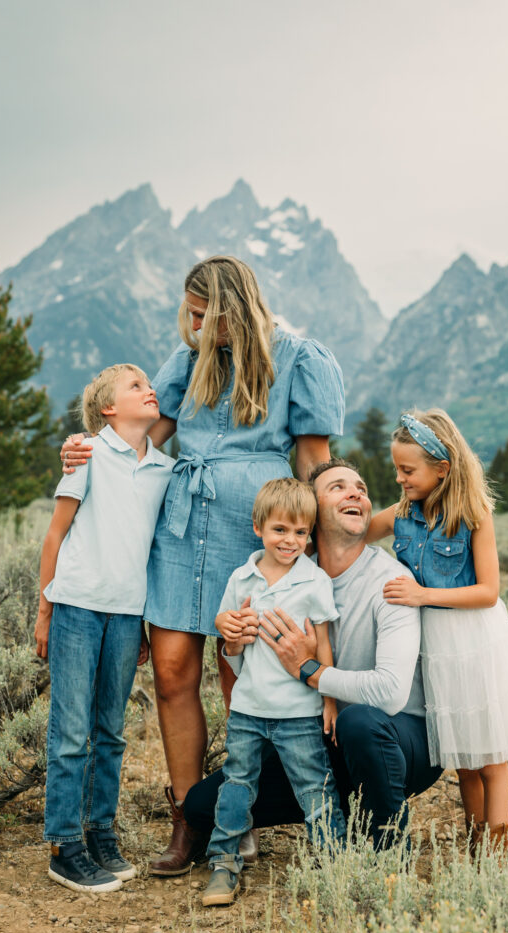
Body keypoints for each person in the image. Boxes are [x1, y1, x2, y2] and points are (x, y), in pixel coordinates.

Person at [60, 256, 345, 874]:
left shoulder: (297, 358)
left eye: (200, 313)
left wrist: (324, 548)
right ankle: (189, 817)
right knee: (170, 671)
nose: (190, 324)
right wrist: (83, 450)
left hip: (256, 533)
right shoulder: (188, 362)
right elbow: (140, 436)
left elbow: (314, 461)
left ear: (230, 309)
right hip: (180, 530)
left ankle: (237, 817)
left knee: (243, 675)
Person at [183, 458, 443, 855]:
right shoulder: (290, 576)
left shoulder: (391, 582)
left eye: (361, 487)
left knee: (360, 722)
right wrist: (234, 643)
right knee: (201, 806)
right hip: (319, 736)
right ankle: (341, 815)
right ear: (312, 513)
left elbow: (390, 694)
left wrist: (312, 670)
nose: (356, 492)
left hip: (399, 738)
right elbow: (259, 661)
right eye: (338, 487)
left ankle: (389, 851)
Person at [367, 409, 508, 851]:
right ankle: (474, 842)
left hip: (477, 643)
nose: (399, 479)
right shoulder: (401, 514)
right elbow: (352, 535)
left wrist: (422, 596)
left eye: (408, 470)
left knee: (492, 759)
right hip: (438, 650)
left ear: (441, 469)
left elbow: (487, 591)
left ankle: (496, 856)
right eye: (396, 469)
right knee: (464, 760)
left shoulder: (473, 515)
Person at [35, 364, 174, 892]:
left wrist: (140, 624)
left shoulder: (162, 467)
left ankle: (100, 832)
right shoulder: (88, 453)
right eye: (135, 385)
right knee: (71, 732)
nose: (149, 389)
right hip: (75, 606)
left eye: (149, 383)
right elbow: (55, 535)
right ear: (108, 409)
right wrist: (45, 608)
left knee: (110, 732)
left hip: (125, 614)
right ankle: (64, 844)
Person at [203, 477, 345, 906]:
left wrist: (329, 698)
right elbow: (228, 637)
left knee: (314, 789)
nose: (291, 540)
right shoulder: (241, 578)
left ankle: (336, 862)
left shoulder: (314, 581)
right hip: (248, 707)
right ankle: (223, 862)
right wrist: (225, 632)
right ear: (258, 527)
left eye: (301, 532)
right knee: (237, 784)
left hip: (298, 710)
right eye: (280, 530)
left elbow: (322, 644)